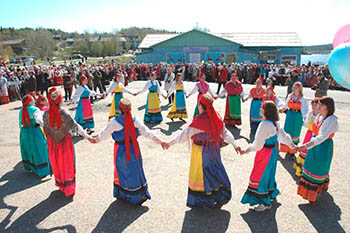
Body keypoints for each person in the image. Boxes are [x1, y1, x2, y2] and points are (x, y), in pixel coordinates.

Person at [165, 94, 241, 208]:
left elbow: (183, 135)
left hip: (200, 152)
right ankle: (221, 194)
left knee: (201, 174)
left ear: (201, 106)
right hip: (214, 151)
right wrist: (235, 145)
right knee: (215, 171)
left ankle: (203, 199)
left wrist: (169, 143)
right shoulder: (217, 119)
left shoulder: (198, 122)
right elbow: (226, 133)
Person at [89, 98, 166, 205]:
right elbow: (147, 132)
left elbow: (104, 134)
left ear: (119, 109)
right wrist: (160, 141)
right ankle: (138, 194)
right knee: (136, 170)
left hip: (121, 151)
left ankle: (125, 195)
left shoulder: (115, 122)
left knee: (123, 171)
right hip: (134, 149)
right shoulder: (135, 120)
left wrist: (95, 140)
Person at [240, 101, 296, 211]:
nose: (260, 109)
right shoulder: (275, 123)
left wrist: (246, 150)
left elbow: (257, 144)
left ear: (266, 111)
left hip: (265, 153)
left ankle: (264, 202)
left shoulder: (265, 124)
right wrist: (292, 146)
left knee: (260, 176)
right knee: (269, 173)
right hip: (273, 152)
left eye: (262, 107)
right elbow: (284, 136)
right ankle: (271, 192)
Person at [43, 88, 91, 198]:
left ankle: (61, 185)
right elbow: (75, 127)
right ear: (59, 101)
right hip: (64, 141)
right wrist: (87, 136)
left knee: (57, 162)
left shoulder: (46, 114)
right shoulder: (64, 113)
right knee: (66, 163)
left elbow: (45, 127)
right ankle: (68, 188)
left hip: (52, 142)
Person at [297, 97, 338, 205]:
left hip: (323, 147)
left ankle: (314, 193)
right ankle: (311, 193)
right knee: (310, 166)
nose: (318, 106)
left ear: (327, 107)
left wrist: (305, 145)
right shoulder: (320, 116)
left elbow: (321, 137)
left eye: (321, 104)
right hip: (314, 145)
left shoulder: (331, 120)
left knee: (319, 168)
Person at [19, 94, 50, 177]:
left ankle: (32, 167)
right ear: (29, 101)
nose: (34, 100)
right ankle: (42, 170)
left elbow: (20, 122)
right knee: (39, 149)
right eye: (33, 99)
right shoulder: (35, 109)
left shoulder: (21, 110)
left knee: (30, 149)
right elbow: (39, 120)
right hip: (35, 131)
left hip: (24, 132)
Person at [279, 82, 308, 160]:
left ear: (300, 89)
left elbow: (305, 110)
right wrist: (282, 109)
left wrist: (305, 118)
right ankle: (286, 149)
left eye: (295, 88)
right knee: (287, 132)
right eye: (293, 87)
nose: (294, 89)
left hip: (297, 117)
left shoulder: (303, 99)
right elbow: (286, 105)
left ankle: (292, 151)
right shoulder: (290, 96)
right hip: (290, 116)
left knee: (295, 133)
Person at [293, 98, 320, 177]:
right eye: (312, 105)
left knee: (312, 150)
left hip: (316, 134)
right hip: (309, 134)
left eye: (315, 105)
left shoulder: (320, 115)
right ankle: (300, 169)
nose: (313, 107)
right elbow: (305, 124)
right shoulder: (310, 113)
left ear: (319, 106)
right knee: (305, 150)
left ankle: (309, 170)